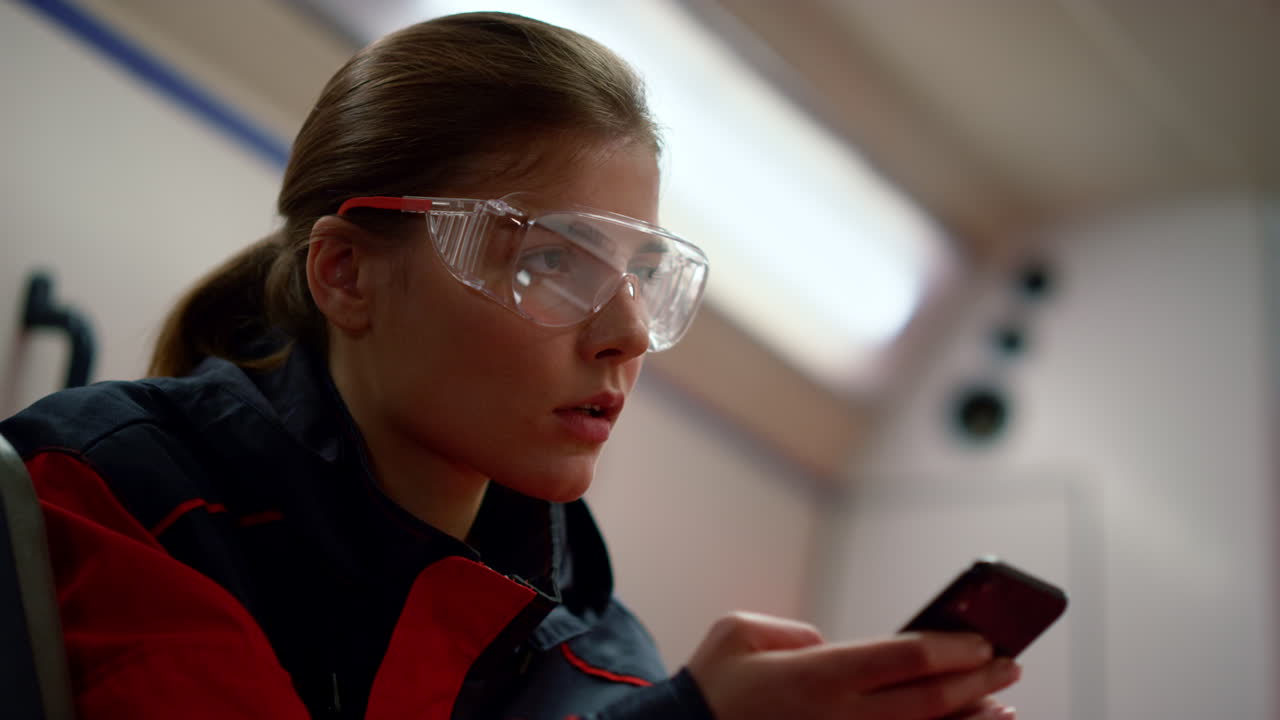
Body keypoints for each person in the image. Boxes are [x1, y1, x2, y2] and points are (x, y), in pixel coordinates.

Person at [1, 11, 1021, 720]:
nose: (625, 333)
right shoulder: (118, 489)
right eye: (549, 260)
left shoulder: (583, 634)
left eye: (646, 275)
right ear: (348, 275)